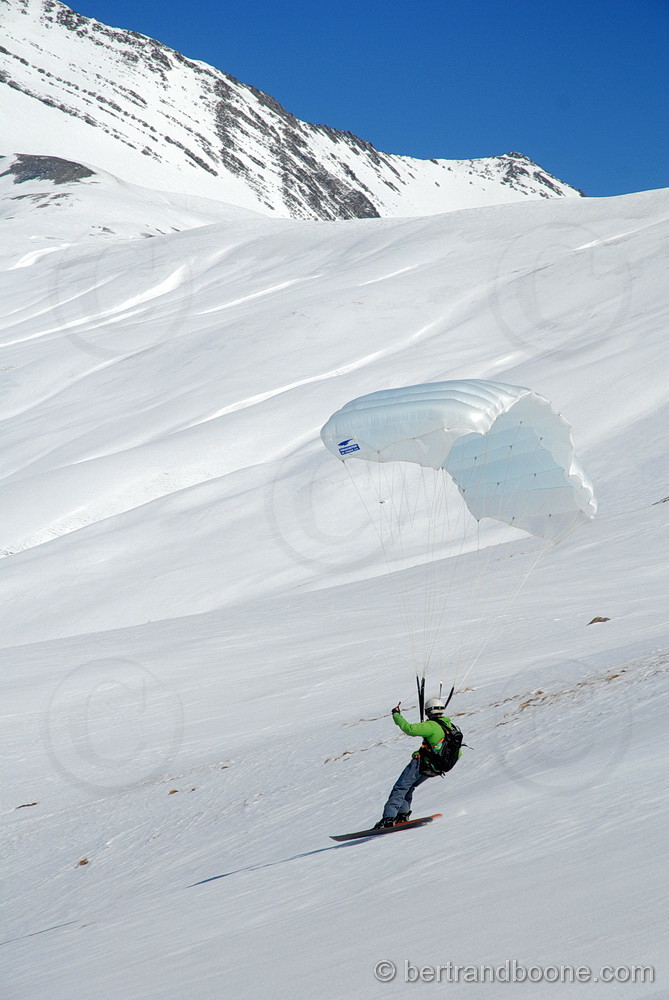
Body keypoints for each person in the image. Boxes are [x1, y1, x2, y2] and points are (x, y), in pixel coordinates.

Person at [374, 695, 455, 828]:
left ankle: (388, 818)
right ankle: (402, 815)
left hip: (422, 764)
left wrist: (396, 715)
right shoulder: (450, 726)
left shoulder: (432, 726)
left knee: (400, 788)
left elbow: (409, 729)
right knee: (409, 787)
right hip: (436, 768)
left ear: (428, 711)